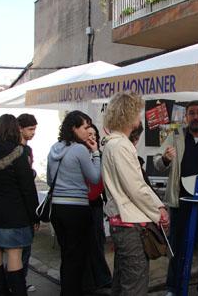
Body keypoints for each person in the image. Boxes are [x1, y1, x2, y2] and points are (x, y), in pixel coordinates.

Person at [101, 92, 169, 296]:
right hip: (130, 224)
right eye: (137, 114)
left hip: (122, 222)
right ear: (128, 116)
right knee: (135, 284)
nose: (139, 120)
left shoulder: (113, 144)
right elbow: (137, 188)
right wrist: (159, 211)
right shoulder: (121, 145)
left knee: (123, 282)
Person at [153, 100, 198, 296]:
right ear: (186, 116)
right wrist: (165, 159)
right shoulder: (176, 136)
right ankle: (174, 287)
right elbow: (157, 162)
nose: (195, 117)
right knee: (177, 247)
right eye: (191, 113)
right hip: (180, 202)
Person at [0, 114, 39, 296]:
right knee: (14, 253)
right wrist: (34, 215)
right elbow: (27, 188)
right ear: (15, 129)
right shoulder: (19, 152)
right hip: (15, 213)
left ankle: (1, 291)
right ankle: (18, 292)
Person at [47, 110, 101, 296]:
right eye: (85, 127)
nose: (88, 131)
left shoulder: (55, 148)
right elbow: (94, 177)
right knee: (77, 258)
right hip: (76, 209)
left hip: (57, 209)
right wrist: (95, 153)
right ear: (73, 128)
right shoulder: (79, 149)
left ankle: (66, 290)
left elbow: (49, 179)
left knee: (66, 256)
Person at [82, 124, 112, 293]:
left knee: (98, 240)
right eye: (89, 134)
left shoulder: (100, 154)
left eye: (94, 134)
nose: (92, 137)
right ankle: (90, 279)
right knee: (87, 241)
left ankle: (101, 278)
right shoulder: (80, 154)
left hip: (96, 202)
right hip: (82, 202)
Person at [17, 113, 38, 293]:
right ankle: (17, 285)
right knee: (20, 250)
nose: (33, 133)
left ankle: (18, 283)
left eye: (34, 129)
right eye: (30, 129)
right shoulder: (18, 151)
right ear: (20, 129)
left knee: (24, 250)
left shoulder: (28, 150)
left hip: (23, 207)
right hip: (20, 208)